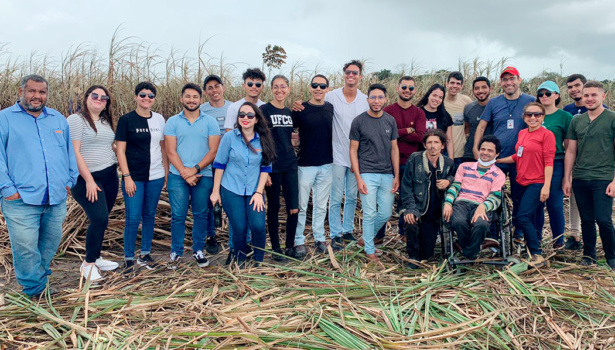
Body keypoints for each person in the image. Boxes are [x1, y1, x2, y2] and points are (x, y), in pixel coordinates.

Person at [0, 74, 78, 297]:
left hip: (55, 197)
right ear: (21, 92)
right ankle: (34, 290)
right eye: (32, 91)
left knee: (50, 244)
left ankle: (39, 280)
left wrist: (69, 181)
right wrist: (8, 190)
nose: (37, 96)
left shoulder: (57, 119)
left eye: (41, 92)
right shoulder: (4, 119)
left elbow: (68, 153)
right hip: (21, 199)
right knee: (25, 248)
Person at [293, 60, 369, 249]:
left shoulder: (365, 100)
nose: (351, 75)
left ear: (360, 76)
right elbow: (306, 114)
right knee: (334, 198)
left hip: (354, 157)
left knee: (351, 196)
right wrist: (297, 105)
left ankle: (347, 231)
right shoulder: (332, 97)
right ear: (343, 74)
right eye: (348, 72)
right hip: (333, 156)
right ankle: (334, 233)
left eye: (355, 73)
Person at [472, 66, 536, 245]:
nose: (509, 83)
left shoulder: (530, 101)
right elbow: (482, 126)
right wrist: (477, 150)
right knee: (492, 195)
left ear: (519, 80)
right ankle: (492, 233)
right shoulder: (494, 102)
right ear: (501, 83)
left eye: (512, 79)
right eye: (505, 80)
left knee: (519, 197)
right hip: (497, 159)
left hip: (521, 159)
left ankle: (518, 233)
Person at [211, 102, 276, 266]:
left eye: (250, 115)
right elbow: (219, 165)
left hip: (254, 189)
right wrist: (215, 191)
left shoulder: (263, 139)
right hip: (231, 189)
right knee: (239, 228)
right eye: (242, 115)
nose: (245, 118)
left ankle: (258, 262)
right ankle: (240, 260)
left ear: (256, 119)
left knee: (258, 226)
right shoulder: (229, 137)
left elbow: (265, 167)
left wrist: (259, 193)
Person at [165, 83, 220, 269]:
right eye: (187, 96)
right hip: (177, 176)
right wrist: (185, 173)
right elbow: (170, 151)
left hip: (203, 175)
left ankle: (198, 250)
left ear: (201, 99)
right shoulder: (172, 121)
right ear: (181, 99)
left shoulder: (210, 122)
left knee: (200, 214)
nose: (191, 100)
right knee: (178, 215)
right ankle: (176, 252)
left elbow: (213, 151)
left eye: (195, 97)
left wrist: (195, 169)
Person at [68, 85, 119, 282]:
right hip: (87, 179)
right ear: (87, 97)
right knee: (99, 219)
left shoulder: (105, 121)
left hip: (110, 175)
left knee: (103, 218)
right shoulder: (76, 120)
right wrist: (89, 180)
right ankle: (87, 264)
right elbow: (75, 152)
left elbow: (108, 145)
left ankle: (96, 257)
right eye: (95, 95)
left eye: (103, 97)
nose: (99, 99)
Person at [115, 82, 168, 271]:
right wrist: (126, 176)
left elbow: (163, 148)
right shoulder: (126, 120)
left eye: (151, 95)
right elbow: (120, 151)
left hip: (155, 176)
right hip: (134, 177)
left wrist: (166, 173)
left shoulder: (160, 119)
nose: (147, 98)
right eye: (143, 95)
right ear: (136, 96)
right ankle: (128, 258)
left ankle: (145, 254)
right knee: (133, 217)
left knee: (149, 215)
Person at [563, 81, 615, 269]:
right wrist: (567, 177)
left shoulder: (611, 118)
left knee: (603, 219)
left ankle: (611, 256)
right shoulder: (577, 121)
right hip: (580, 177)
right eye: (586, 95)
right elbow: (571, 152)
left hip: (603, 177)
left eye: (594, 95)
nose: (589, 99)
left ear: (603, 96)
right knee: (586, 220)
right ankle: (589, 255)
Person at [497, 102, 555, 266]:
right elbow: (517, 156)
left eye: (537, 114)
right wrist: (497, 160)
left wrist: (546, 186)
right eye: (529, 114)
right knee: (532, 216)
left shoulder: (546, 135)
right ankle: (533, 248)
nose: (533, 117)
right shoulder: (522, 133)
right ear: (524, 117)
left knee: (522, 216)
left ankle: (536, 253)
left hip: (537, 182)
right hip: (522, 181)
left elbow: (549, 162)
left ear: (543, 117)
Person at [349, 84, 399, 262]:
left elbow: (394, 149)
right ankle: (370, 250)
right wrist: (358, 176)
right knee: (369, 213)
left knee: (385, 213)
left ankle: (365, 239)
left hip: (387, 174)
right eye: (373, 97)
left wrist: (396, 176)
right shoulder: (359, 121)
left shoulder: (390, 121)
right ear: (367, 99)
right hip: (367, 173)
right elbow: (353, 150)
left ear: (385, 99)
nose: (376, 101)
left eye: (380, 97)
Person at [374, 76, 426, 242]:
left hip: (410, 163)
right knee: (384, 200)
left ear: (415, 91)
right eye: (404, 87)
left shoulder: (419, 112)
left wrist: (396, 133)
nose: (407, 91)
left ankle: (404, 233)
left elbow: (420, 137)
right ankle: (378, 235)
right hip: (388, 163)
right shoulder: (388, 110)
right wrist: (406, 131)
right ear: (397, 88)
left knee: (407, 198)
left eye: (411, 88)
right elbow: (383, 135)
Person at [443, 135, 506, 259]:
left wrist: (483, 206)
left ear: (497, 154)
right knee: (458, 221)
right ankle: (475, 248)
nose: (485, 153)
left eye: (490, 150)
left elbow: (496, 197)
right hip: (462, 202)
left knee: (481, 224)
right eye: (483, 149)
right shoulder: (464, 166)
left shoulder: (498, 174)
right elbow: (455, 187)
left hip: (482, 204)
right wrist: (448, 203)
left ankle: (466, 250)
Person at [293, 75, 334, 257]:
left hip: (326, 163)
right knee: (302, 204)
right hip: (305, 164)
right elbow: (290, 131)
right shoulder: (300, 109)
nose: (318, 88)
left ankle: (319, 237)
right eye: (315, 85)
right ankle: (298, 240)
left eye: (322, 86)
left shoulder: (330, 108)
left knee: (320, 204)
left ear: (327, 88)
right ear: (310, 88)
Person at [401, 129, 455, 268]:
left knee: (427, 253)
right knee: (411, 221)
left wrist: (448, 181)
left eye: (436, 142)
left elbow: (457, 181)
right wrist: (410, 209)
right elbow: (406, 186)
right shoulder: (415, 159)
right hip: (418, 207)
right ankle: (412, 257)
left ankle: (424, 251)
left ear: (442, 145)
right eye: (429, 142)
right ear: (424, 145)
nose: (433, 146)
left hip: (434, 213)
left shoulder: (448, 163)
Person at [260, 75, 299, 261]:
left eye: (283, 87)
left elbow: (290, 136)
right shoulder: (264, 110)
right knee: (274, 208)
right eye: (276, 87)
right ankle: (276, 248)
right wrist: (265, 169)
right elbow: (261, 140)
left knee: (294, 208)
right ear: (271, 89)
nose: (279, 90)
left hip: (290, 165)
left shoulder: (290, 113)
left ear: (288, 89)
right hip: (273, 167)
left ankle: (290, 246)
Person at [536, 81, 573, 250]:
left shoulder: (565, 117)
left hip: (556, 162)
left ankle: (558, 241)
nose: (544, 96)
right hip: (536, 163)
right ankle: (535, 240)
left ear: (557, 95)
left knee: (555, 204)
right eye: (541, 94)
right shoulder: (534, 114)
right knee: (536, 203)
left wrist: (567, 175)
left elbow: (569, 148)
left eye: (548, 93)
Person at [200, 74, 232, 254]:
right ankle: (210, 236)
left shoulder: (233, 108)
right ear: (206, 92)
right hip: (209, 161)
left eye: (217, 86)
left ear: (223, 88)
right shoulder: (201, 110)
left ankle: (235, 236)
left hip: (230, 163)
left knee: (230, 199)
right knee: (208, 201)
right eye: (210, 88)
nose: (214, 90)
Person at [562, 74, 588, 250]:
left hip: (594, 162)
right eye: (570, 87)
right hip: (573, 160)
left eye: (577, 86)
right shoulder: (567, 110)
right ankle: (574, 235)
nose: (574, 90)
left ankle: (594, 236)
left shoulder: (601, 109)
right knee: (574, 199)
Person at [417, 84, 454, 159]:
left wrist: (451, 160)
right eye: (434, 95)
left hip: (439, 158)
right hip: (420, 157)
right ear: (428, 95)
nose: (437, 99)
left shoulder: (445, 116)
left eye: (440, 97)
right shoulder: (417, 112)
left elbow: (449, 141)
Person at [443, 72, 473, 166]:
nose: (454, 86)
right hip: (442, 152)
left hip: (460, 153)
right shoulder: (439, 100)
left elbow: (470, 122)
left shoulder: (466, 101)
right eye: (452, 83)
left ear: (462, 86)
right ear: (447, 84)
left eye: (458, 83)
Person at [224, 68, 266, 132]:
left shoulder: (265, 107)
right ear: (244, 86)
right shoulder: (234, 107)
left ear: (262, 87)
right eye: (250, 84)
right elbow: (229, 131)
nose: (254, 87)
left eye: (258, 85)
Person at [461, 77, 492, 163]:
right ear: (473, 91)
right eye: (477, 88)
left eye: (484, 87)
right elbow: (467, 128)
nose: (480, 91)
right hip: (471, 154)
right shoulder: (468, 108)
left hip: (491, 154)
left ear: (490, 88)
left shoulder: (496, 107)